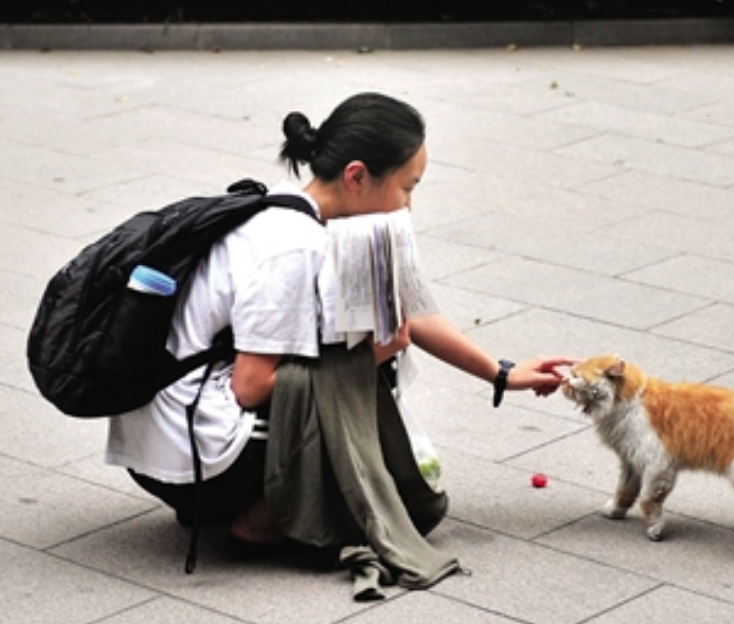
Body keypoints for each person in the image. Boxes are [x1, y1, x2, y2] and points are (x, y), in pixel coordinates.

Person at [105, 92, 574, 551]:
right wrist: (374, 356)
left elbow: (415, 311)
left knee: (357, 356)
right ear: (357, 176)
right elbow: (251, 385)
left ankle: (241, 500)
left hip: (175, 435)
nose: (409, 205)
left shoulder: (311, 214)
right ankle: (259, 520)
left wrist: (502, 373)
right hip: (193, 452)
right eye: (407, 187)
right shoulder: (291, 244)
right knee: (362, 372)